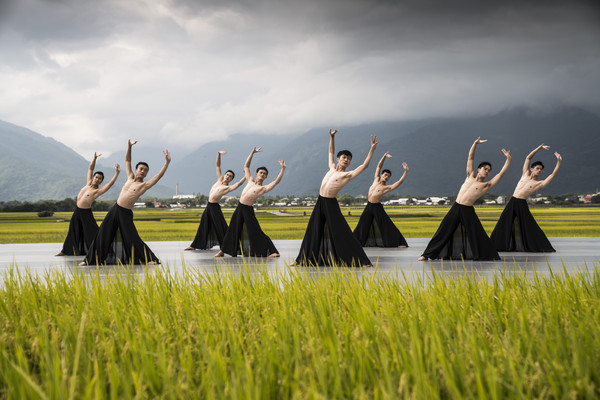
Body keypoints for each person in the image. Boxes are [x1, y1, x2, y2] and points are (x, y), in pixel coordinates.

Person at [418, 137, 511, 261]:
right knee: (443, 230)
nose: (487, 172)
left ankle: (488, 254)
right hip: (456, 207)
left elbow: (500, 174)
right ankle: (426, 254)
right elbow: (470, 158)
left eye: (489, 171)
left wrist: (508, 160)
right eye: (485, 169)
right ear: (479, 169)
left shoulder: (486, 185)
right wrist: (474, 144)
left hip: (467, 210)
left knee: (477, 233)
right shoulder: (470, 176)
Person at [294, 129, 377, 267]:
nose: (346, 160)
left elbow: (364, 166)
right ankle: (301, 259)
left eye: (349, 159)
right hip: (320, 202)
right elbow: (331, 152)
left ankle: (361, 261)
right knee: (313, 230)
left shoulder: (347, 175)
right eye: (344, 157)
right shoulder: (332, 167)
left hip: (331, 204)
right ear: (338, 159)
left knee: (342, 231)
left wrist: (372, 150)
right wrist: (332, 137)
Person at [81, 140, 171, 265]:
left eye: (145, 170)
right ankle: (90, 260)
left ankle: (149, 259)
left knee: (131, 237)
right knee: (102, 233)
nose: (143, 171)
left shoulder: (144, 185)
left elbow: (158, 176)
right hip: (115, 209)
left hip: (125, 213)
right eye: (141, 169)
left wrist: (167, 162)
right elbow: (127, 161)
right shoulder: (129, 177)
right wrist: (129, 147)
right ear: (136, 169)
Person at [214, 147, 285, 258]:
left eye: (265, 174)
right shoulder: (250, 180)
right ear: (256, 173)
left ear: (266, 177)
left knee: (256, 231)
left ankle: (273, 251)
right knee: (232, 229)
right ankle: (223, 250)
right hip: (239, 207)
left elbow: (276, 182)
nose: (262, 174)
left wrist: (282, 169)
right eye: (261, 172)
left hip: (247, 209)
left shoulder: (263, 188)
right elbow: (246, 166)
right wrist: (252, 153)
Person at [490, 144, 562, 252]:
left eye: (541, 169)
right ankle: (494, 245)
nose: (539, 171)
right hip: (513, 201)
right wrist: (539, 148)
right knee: (503, 222)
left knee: (529, 225)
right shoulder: (525, 174)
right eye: (537, 168)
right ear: (532, 169)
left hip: (522, 204)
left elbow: (552, 175)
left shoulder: (539, 183)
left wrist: (559, 161)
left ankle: (541, 245)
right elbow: (528, 158)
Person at [55, 153, 120, 256]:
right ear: (93, 178)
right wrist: (94, 158)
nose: (97, 179)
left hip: (86, 213)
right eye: (96, 177)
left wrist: (117, 173)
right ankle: (65, 251)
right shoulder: (88, 183)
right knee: (73, 231)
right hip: (77, 211)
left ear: (101, 181)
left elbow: (110, 184)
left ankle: (103, 250)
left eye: (100, 179)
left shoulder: (98, 191)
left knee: (93, 232)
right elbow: (90, 168)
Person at [185, 151, 246, 251]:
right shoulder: (219, 179)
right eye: (227, 174)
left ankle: (229, 246)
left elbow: (238, 184)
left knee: (220, 226)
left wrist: (245, 176)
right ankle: (194, 245)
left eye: (230, 176)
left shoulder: (228, 188)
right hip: (209, 206)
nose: (228, 176)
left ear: (231, 179)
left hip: (214, 207)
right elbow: (218, 166)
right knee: (204, 225)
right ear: (225, 174)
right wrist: (219, 154)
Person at [353, 152, 409, 247]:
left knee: (386, 224)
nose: (386, 177)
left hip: (377, 207)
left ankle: (399, 242)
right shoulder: (376, 179)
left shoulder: (387, 187)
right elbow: (378, 166)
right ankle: (355, 242)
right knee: (362, 224)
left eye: (388, 176)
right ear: (382, 175)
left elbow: (399, 182)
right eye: (385, 175)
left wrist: (405, 172)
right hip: (369, 206)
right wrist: (384, 156)